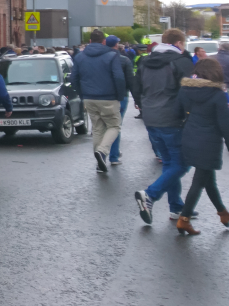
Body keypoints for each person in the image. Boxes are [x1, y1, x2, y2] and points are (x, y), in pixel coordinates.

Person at [132, 29, 195, 225]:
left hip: (150, 117)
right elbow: (188, 92)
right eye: (183, 45)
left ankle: (176, 207)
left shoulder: (144, 61)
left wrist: (142, 104)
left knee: (169, 163)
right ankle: (150, 195)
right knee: (182, 164)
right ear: (178, 43)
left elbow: (135, 86)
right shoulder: (181, 62)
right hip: (173, 118)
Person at [175, 58, 229, 235]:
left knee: (207, 179)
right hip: (209, 141)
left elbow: (177, 113)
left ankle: (223, 212)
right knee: (199, 181)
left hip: (189, 137)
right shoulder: (217, 94)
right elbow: (225, 123)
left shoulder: (185, 89)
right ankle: (184, 218)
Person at [72, 30, 128, 173]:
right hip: (108, 97)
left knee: (97, 128)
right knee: (114, 126)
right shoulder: (111, 55)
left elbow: (73, 78)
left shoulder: (79, 57)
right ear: (104, 41)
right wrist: (120, 95)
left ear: (90, 41)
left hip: (89, 98)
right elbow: (119, 77)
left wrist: (82, 93)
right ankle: (102, 152)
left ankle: (99, 163)